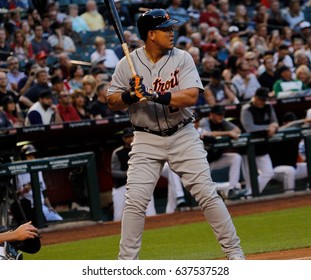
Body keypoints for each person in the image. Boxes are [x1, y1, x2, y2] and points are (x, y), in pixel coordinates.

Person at [106, 9, 244, 260]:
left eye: (171, 28)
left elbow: (191, 95)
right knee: (135, 202)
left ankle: (235, 253)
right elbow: (111, 100)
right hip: (146, 137)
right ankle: (126, 265)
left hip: (182, 134)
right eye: (166, 29)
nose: (172, 33)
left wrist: (155, 95)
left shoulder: (182, 58)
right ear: (151, 34)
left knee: (206, 193)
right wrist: (129, 96)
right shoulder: (127, 64)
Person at [197, 105, 246, 200]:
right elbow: (207, 134)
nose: (221, 116)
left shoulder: (222, 122)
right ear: (211, 114)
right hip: (204, 162)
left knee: (236, 157)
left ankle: (232, 189)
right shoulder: (204, 121)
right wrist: (227, 133)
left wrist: (229, 132)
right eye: (218, 114)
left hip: (216, 158)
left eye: (222, 114)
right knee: (203, 189)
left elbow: (237, 131)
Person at [111, 127, 157, 221]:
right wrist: (129, 173)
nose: (130, 138)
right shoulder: (117, 152)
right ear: (123, 139)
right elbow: (114, 172)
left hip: (142, 184)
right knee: (118, 217)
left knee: (151, 214)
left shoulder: (143, 149)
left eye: (132, 136)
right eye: (127, 137)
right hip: (122, 186)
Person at [240, 87, 277, 196]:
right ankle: (250, 197)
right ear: (255, 97)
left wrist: (274, 127)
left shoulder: (268, 106)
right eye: (261, 99)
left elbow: (275, 122)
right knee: (249, 180)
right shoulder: (246, 109)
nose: (263, 101)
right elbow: (250, 128)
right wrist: (268, 128)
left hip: (262, 147)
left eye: (264, 99)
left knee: (269, 172)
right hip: (248, 149)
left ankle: (250, 194)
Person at [12, 144, 63, 224]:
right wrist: (23, 190)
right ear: (23, 157)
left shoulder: (38, 170)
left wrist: (49, 206)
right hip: (27, 207)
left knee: (59, 219)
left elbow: (44, 191)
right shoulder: (18, 172)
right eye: (29, 155)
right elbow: (13, 194)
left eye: (33, 155)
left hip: (41, 206)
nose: (32, 157)